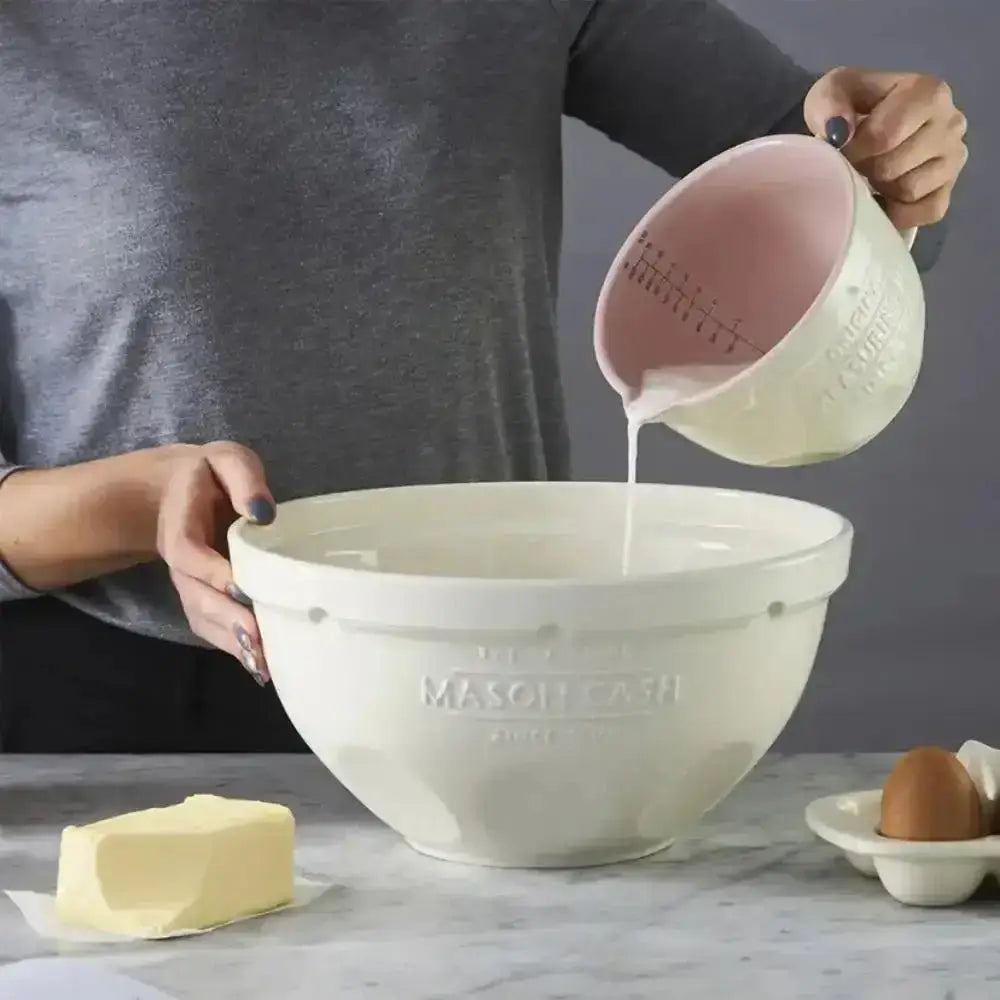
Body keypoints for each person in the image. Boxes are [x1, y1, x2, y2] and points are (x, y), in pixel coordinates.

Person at [0, 1, 968, 753]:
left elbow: (838, 198)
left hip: (491, 686)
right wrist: (139, 506)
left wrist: (894, 161)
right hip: (116, 707)